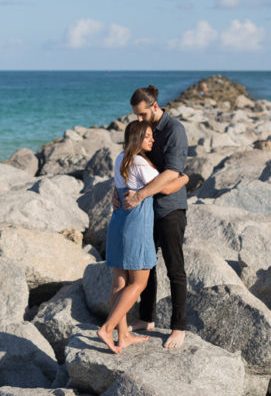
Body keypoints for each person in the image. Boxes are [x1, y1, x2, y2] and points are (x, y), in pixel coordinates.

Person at [98, 120, 189, 354]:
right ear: (137, 139)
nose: (152, 140)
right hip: (136, 226)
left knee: (119, 283)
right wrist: (186, 177)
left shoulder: (121, 159)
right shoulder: (141, 163)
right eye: (148, 136)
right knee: (139, 283)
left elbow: (118, 188)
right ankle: (107, 329)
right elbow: (167, 187)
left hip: (117, 223)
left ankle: (124, 334)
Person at [122, 85, 189, 349]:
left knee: (175, 269)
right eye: (135, 115)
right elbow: (130, 161)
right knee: (146, 265)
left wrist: (139, 195)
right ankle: (147, 318)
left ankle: (178, 326)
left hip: (170, 210)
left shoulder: (175, 131)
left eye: (142, 115)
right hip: (147, 210)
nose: (138, 120)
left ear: (155, 106)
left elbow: (173, 174)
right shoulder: (143, 129)